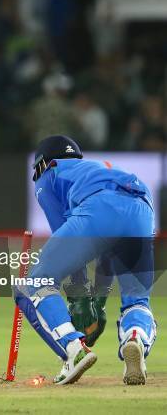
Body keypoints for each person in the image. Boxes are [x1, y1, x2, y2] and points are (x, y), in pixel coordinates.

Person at [17, 135, 157, 385]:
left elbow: (67, 241)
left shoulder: (48, 174)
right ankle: (135, 337)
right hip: (142, 208)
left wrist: (80, 297)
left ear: (41, 164)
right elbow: (108, 253)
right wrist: (99, 302)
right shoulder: (96, 167)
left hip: (100, 205)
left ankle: (73, 349)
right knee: (137, 301)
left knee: (35, 282)